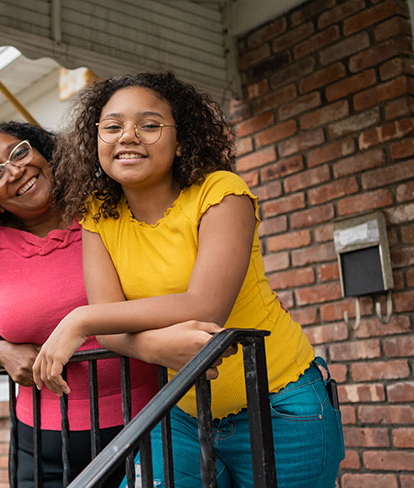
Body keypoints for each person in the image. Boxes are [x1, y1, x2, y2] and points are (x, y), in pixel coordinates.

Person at [32, 72, 345, 487]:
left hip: (280, 404)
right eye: (112, 126)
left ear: (181, 141)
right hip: (184, 409)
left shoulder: (221, 193)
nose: (128, 136)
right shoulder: (98, 219)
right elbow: (112, 326)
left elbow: (204, 306)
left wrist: (79, 320)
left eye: (149, 124)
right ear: (96, 143)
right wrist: (154, 345)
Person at [0, 121, 162, 488]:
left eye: (20, 152)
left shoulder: (108, 215)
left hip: (146, 424)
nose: (15, 171)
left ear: (45, 152)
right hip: (41, 442)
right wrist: (3, 352)